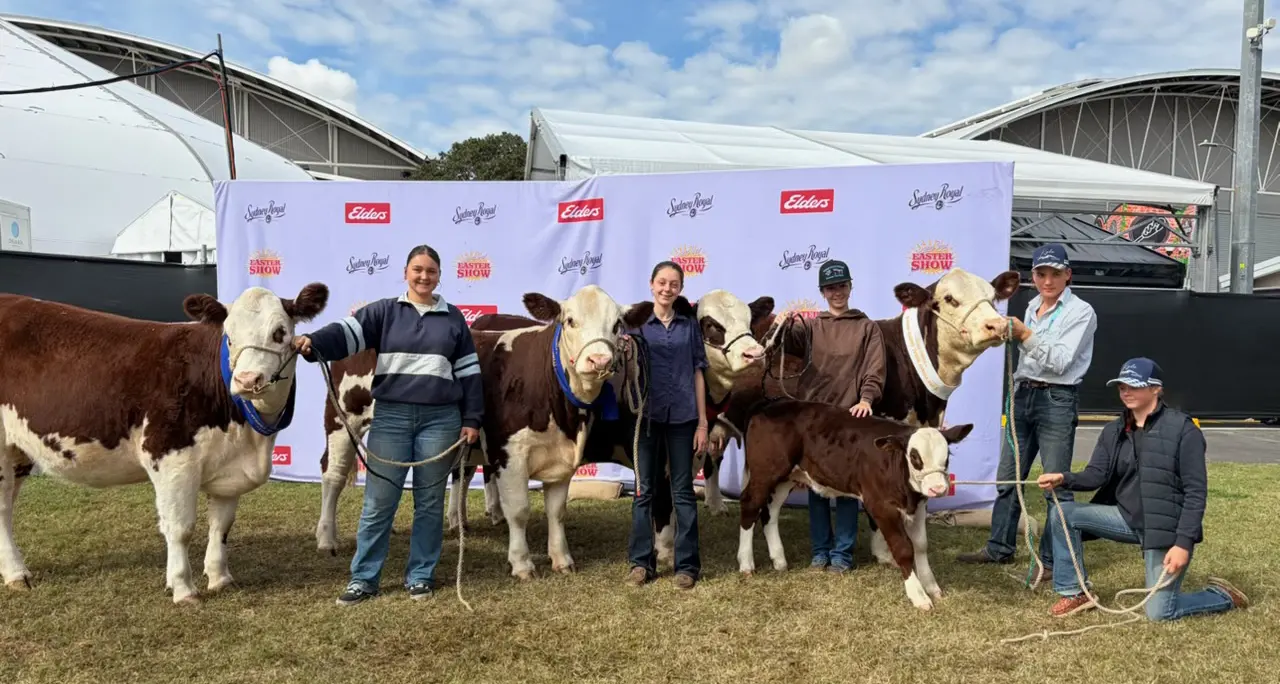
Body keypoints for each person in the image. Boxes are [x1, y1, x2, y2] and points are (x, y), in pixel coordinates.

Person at [293, 244, 483, 606]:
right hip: (392, 417)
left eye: (430, 270)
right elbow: (346, 334)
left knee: (429, 502)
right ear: (406, 273)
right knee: (379, 502)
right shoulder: (383, 312)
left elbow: (469, 374)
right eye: (417, 270)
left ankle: (421, 576)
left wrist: (472, 418)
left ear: (440, 275)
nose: (424, 276)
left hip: (440, 420)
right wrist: (313, 342)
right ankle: (364, 578)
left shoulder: (454, 319)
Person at [1036, 357, 1249, 619]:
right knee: (1063, 513)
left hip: (1164, 531)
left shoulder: (1183, 430)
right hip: (1125, 519)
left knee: (1159, 613)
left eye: (1134, 386)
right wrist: (1063, 478)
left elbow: (1196, 492)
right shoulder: (1114, 430)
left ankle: (1222, 596)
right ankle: (1074, 593)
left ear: (1156, 388)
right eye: (1122, 386)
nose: (1126, 392)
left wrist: (1182, 544)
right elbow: (1095, 475)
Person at [958, 243, 1097, 581]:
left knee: (1055, 484)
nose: (1048, 281)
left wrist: (1023, 334)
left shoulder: (1082, 311)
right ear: (1033, 277)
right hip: (1023, 395)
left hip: (1057, 399)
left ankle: (1049, 563)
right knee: (1008, 477)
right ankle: (999, 548)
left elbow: (1062, 362)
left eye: (1055, 274)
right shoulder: (1032, 306)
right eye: (1041, 274)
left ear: (1068, 275)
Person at [781, 259, 886, 573]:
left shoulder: (867, 327)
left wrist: (866, 399)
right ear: (822, 292)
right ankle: (819, 552)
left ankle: (842, 555)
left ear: (850, 287)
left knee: (847, 490)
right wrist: (783, 324)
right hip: (814, 422)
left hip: (850, 420)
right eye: (830, 287)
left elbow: (875, 369)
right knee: (816, 488)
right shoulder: (812, 327)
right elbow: (784, 343)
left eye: (841, 285)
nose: (836, 292)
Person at [625, 261, 709, 590]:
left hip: (684, 418)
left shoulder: (690, 327)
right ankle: (640, 563)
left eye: (674, 284)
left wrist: (703, 423)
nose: (667, 289)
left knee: (683, 493)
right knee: (644, 491)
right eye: (662, 282)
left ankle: (686, 566)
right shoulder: (635, 326)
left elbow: (699, 372)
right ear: (651, 284)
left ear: (680, 289)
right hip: (646, 420)